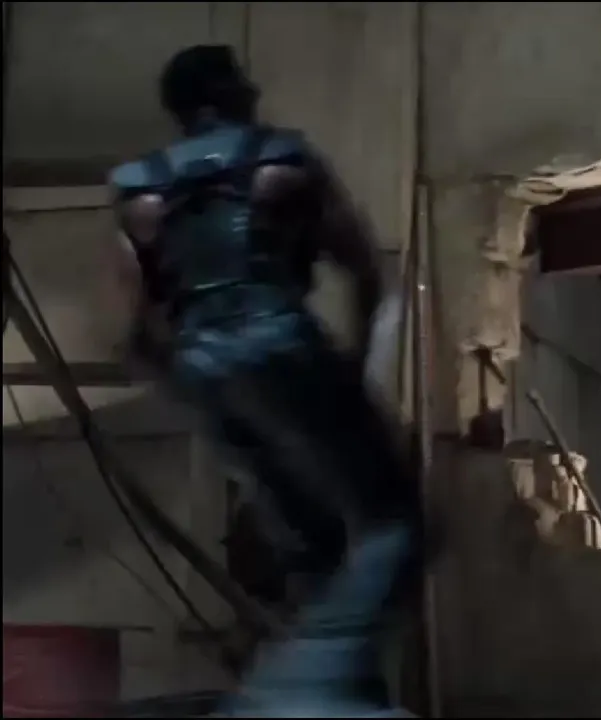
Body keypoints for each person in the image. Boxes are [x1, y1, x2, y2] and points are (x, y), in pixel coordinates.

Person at [107, 44, 424, 716]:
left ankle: (344, 697)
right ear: (229, 95)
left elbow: (139, 333)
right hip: (278, 343)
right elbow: (366, 272)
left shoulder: (141, 191)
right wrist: (354, 373)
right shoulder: (281, 159)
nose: (255, 95)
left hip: (201, 366)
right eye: (244, 86)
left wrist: (194, 393)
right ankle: (293, 695)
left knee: (314, 547)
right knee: (396, 524)